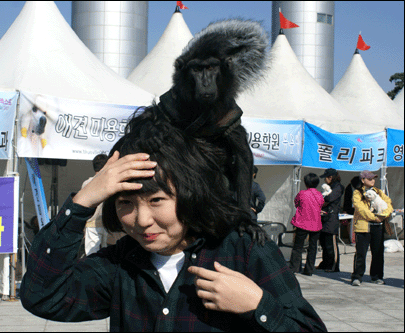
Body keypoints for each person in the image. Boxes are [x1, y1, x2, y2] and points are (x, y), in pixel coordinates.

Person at [20, 121, 326, 331]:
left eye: (156, 201)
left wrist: (256, 304)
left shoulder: (244, 251)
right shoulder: (120, 265)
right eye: (126, 203)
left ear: (190, 195)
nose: (141, 220)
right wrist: (82, 201)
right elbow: (42, 296)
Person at [351, 170, 393, 286]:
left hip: (378, 227)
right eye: (369, 179)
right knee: (361, 253)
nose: (372, 181)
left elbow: (389, 203)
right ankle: (357, 276)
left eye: (373, 178)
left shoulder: (378, 192)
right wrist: (374, 217)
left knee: (378, 253)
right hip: (363, 226)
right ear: (363, 180)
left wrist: (384, 215)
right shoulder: (357, 193)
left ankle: (376, 276)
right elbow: (360, 208)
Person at [81, 154, 125, 256]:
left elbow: (83, 207)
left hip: (92, 223)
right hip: (108, 223)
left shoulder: (86, 183)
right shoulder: (113, 182)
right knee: (109, 254)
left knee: (91, 254)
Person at [289, 173, 325, 276]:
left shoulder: (302, 193)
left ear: (305, 183)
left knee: (298, 247)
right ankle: (309, 269)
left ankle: (294, 268)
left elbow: (296, 203)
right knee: (312, 247)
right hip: (316, 224)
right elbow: (321, 204)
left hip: (302, 223)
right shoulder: (319, 195)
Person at [316, 168, 344, 273]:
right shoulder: (331, 186)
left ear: (330, 177)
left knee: (331, 244)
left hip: (331, 219)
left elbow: (328, 198)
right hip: (324, 218)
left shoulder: (338, 187)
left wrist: (322, 200)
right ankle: (325, 263)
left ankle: (333, 265)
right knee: (323, 242)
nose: (324, 181)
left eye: (326, 178)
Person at [342, 176, 362, 244]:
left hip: (359, 208)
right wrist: (345, 210)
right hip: (350, 209)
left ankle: (358, 239)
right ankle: (352, 239)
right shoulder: (349, 188)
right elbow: (346, 200)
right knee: (350, 224)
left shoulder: (362, 188)